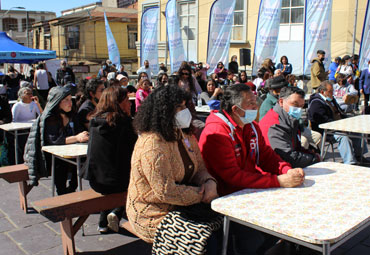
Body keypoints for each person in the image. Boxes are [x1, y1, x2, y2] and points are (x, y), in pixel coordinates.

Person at [199, 84, 304, 254]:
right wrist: (277, 181)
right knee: (255, 240)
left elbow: (265, 155)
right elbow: (232, 177)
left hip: (248, 189)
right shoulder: (218, 133)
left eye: (256, 102)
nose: (257, 108)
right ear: (236, 109)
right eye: (251, 104)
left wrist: (286, 170)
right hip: (227, 197)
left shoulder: (250, 126)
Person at [126, 85, 220, 253]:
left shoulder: (184, 134)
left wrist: (209, 182)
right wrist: (202, 194)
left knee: (226, 227)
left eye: (185, 106)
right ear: (164, 111)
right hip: (152, 211)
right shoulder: (152, 144)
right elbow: (165, 192)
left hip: (182, 203)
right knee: (206, 241)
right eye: (180, 107)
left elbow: (199, 168)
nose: (185, 111)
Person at [86, 86, 137, 233]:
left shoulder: (94, 120)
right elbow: (135, 150)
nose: (131, 103)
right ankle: (118, 212)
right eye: (127, 99)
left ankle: (104, 222)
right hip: (116, 182)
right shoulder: (123, 123)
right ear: (118, 103)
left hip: (95, 179)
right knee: (136, 179)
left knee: (112, 176)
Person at [24, 86, 89, 193]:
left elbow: (78, 130)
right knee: (60, 165)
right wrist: (76, 137)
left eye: (70, 99)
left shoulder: (72, 115)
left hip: (72, 152)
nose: (70, 103)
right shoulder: (50, 118)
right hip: (51, 156)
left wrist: (84, 135)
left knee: (85, 161)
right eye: (66, 100)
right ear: (57, 102)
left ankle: (72, 188)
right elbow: (55, 140)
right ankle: (62, 192)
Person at [308, 81, 368, 164]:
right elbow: (322, 120)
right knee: (343, 137)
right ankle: (350, 161)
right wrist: (339, 127)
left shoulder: (331, 99)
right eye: (330, 91)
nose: (333, 93)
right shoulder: (316, 103)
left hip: (339, 125)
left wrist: (346, 121)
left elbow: (340, 112)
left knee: (357, 132)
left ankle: (360, 156)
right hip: (327, 130)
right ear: (322, 92)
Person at [259, 86, 320, 168]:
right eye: (295, 104)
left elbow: (296, 147)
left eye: (301, 106)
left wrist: (311, 154)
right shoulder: (275, 124)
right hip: (276, 170)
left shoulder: (289, 119)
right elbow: (288, 157)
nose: (299, 109)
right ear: (281, 102)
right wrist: (314, 158)